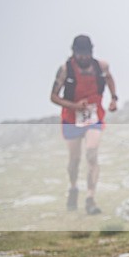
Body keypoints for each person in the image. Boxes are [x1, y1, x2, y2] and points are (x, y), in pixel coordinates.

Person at [50, 35, 117, 215]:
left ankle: (90, 198)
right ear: (74, 53)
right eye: (80, 55)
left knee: (91, 153)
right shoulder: (65, 70)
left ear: (91, 52)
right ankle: (73, 188)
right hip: (71, 119)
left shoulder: (101, 66)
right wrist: (74, 106)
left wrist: (114, 99)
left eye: (86, 54)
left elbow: (110, 79)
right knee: (74, 160)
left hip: (94, 117)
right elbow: (53, 96)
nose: (83, 58)